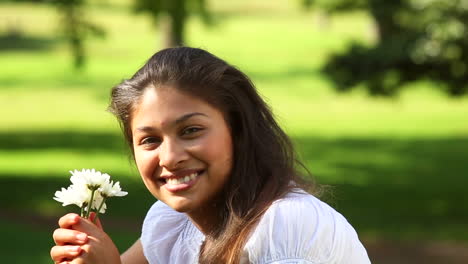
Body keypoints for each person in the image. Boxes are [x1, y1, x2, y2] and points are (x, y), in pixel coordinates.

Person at [51, 47, 371, 264]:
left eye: (191, 130)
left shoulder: (285, 226)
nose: (170, 156)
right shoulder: (171, 223)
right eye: (149, 139)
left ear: (238, 129)